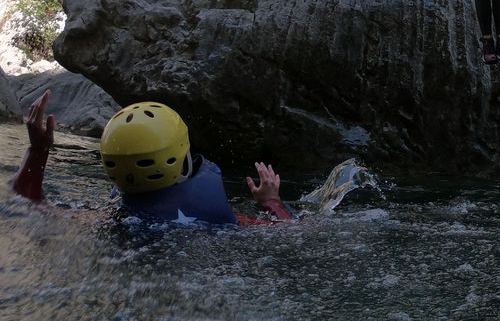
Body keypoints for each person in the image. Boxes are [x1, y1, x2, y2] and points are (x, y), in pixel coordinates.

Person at [10, 90, 292, 225]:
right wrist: (271, 202)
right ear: (181, 157)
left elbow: (28, 204)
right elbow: (289, 233)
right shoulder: (219, 218)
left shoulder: (107, 218)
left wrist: (38, 150)